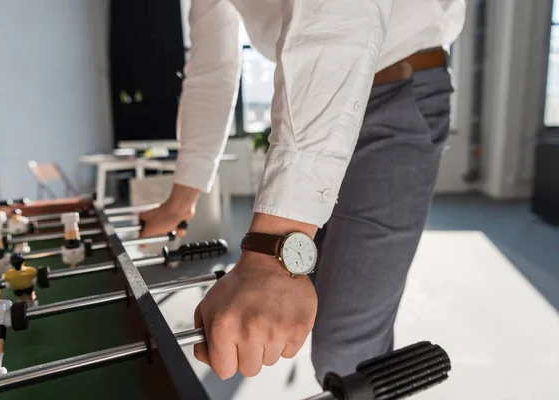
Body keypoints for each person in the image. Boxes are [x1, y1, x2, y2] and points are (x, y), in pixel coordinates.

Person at [140, 0, 466, 383]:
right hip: (315, 104)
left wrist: (271, 253)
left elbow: (339, 15)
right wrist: (182, 199)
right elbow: (212, 70)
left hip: (396, 91)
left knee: (346, 356)